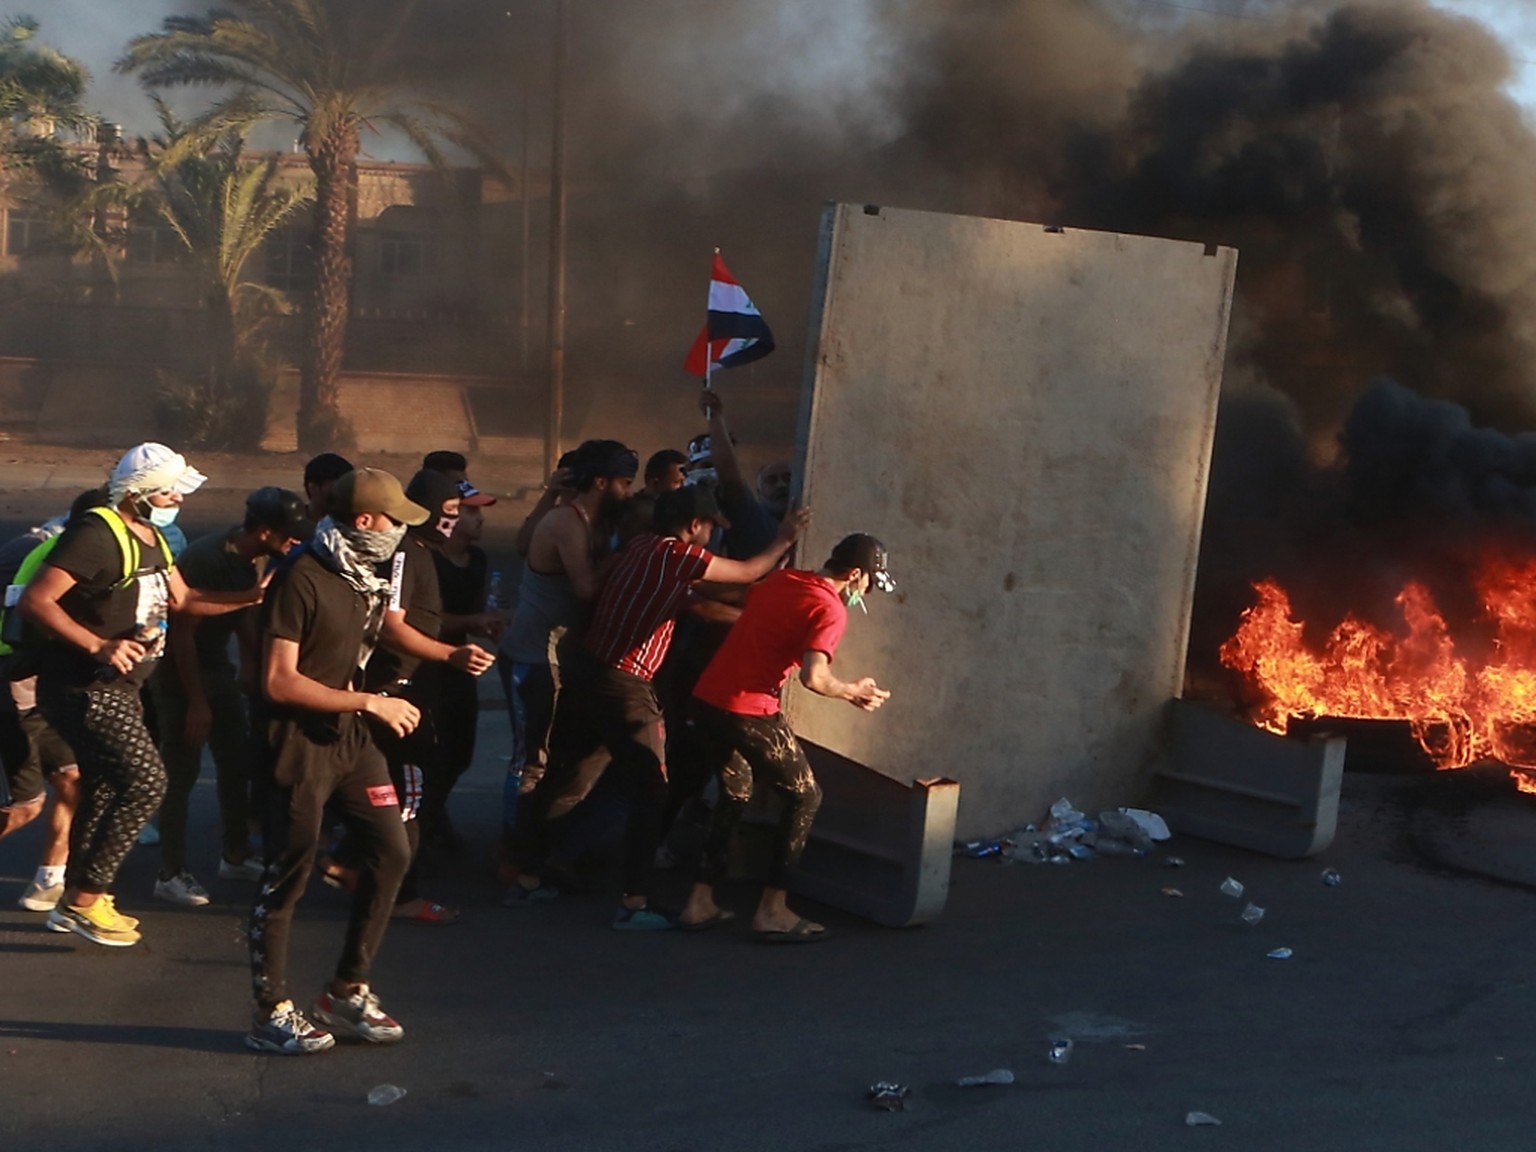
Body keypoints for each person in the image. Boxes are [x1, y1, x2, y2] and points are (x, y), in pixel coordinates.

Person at [508, 485, 810, 929]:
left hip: (590, 674)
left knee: (570, 776)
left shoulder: (642, 549)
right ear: (693, 526)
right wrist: (784, 539)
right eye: (709, 526)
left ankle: (528, 875)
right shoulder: (674, 554)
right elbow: (746, 572)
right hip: (625, 684)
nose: (711, 534)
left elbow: (704, 602)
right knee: (651, 790)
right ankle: (634, 903)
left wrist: (757, 608)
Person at [20, 444, 256, 947]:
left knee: (106, 787)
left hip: (121, 688)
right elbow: (38, 599)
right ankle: (86, 899)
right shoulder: (96, 533)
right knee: (148, 782)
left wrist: (256, 595)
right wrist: (99, 645)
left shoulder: (154, 536)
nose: (177, 500)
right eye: (169, 491)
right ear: (140, 493)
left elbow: (185, 599)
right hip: (84, 687)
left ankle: (77, 900)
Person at [246, 467, 423, 1055]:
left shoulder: (361, 575)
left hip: (351, 740)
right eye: (397, 520)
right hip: (297, 746)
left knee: (392, 852)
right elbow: (278, 681)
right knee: (288, 877)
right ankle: (271, 1012)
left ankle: (347, 987)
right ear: (366, 521)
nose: (402, 532)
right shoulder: (302, 576)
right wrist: (371, 701)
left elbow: (369, 643)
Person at [679, 533, 894, 941]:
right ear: (854, 574)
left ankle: (698, 900)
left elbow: (751, 610)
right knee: (805, 796)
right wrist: (853, 691)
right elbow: (814, 677)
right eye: (867, 583)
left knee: (736, 790)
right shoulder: (830, 608)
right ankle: (772, 910)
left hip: (707, 700)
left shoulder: (784, 581)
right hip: (748, 709)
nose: (865, 592)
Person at [335, 468, 494, 924]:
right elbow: (391, 624)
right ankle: (398, 894)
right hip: (396, 691)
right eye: (447, 514)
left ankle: (349, 862)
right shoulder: (406, 553)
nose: (453, 522)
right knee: (410, 795)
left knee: (397, 788)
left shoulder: (424, 552)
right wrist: (450, 655)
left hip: (411, 690)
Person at [148, 487, 314, 907]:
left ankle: (235, 855)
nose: (294, 543)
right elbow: (181, 634)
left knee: (236, 763)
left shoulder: (256, 558)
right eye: (288, 535)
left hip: (216, 669)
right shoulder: (208, 558)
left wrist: (255, 664)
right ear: (263, 531)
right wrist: (197, 702)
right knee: (181, 775)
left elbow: (243, 616)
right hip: (179, 676)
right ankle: (171, 872)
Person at [498, 441, 636, 844]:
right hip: (534, 659)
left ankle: (533, 845)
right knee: (532, 761)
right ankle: (514, 854)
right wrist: (630, 551)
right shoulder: (565, 521)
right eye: (624, 483)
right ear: (600, 481)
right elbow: (587, 589)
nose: (627, 492)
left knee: (553, 757)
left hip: (561, 658)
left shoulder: (592, 521)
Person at [0, 497, 98, 913]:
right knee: (26, 806)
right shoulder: (51, 558)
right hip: (16, 685)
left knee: (72, 779)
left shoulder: (41, 545)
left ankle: (48, 882)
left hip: (32, 684)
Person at [421, 463, 502, 850]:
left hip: (461, 669)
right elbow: (425, 620)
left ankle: (432, 813)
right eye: (471, 511)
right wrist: (475, 621)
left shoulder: (479, 560)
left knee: (459, 753)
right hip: (428, 667)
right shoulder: (427, 561)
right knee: (428, 754)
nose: (479, 518)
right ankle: (421, 824)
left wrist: (489, 625)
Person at [700, 388, 793, 558]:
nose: (782, 485)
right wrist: (716, 419)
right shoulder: (752, 520)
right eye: (772, 481)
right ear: (759, 491)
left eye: (788, 478)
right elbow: (730, 480)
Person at [301, 452, 354, 523]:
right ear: (313, 488)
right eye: (336, 488)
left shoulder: (352, 526)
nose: (342, 494)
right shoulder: (289, 526)